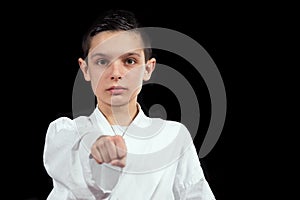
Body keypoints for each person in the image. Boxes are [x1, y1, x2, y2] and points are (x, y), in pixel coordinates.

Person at [43, 9, 216, 200]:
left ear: (148, 69)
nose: (116, 73)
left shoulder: (174, 136)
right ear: (85, 69)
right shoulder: (67, 133)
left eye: (129, 61)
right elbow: (67, 156)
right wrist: (94, 146)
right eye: (102, 61)